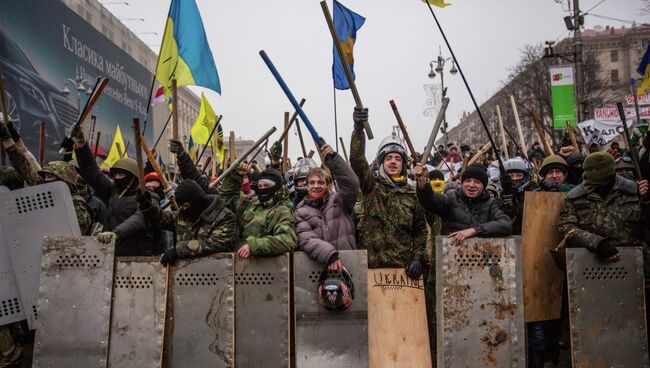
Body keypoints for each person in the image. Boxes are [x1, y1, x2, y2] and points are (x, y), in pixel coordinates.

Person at [558, 152, 650, 350]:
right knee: (600, 327)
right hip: (594, 270)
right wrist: (597, 243)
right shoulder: (575, 198)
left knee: (639, 326)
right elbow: (567, 229)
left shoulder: (634, 192)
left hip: (638, 269)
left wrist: (647, 201)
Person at [349, 107, 428, 280]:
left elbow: (420, 231)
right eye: (388, 158)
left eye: (398, 159)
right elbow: (357, 160)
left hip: (402, 273)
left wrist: (417, 257)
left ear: (403, 165)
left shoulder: (412, 193)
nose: (393, 162)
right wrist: (358, 130)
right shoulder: (372, 186)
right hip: (371, 271)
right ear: (381, 162)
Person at [71, 125, 159, 255]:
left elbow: (140, 219)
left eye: (121, 175)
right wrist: (81, 145)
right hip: (109, 255)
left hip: (138, 259)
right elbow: (92, 171)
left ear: (133, 178)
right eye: (115, 175)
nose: (117, 178)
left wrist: (116, 233)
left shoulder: (149, 197)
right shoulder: (112, 191)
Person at [0, 123, 93, 235]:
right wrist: (6, 137)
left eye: (50, 176)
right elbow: (23, 165)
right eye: (45, 176)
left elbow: (72, 238)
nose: (46, 180)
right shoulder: (48, 192)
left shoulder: (77, 206)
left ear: (63, 180)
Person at [294, 144, 359, 271]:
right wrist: (330, 255)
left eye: (321, 182)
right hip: (318, 270)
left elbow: (352, 184)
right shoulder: (300, 212)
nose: (316, 186)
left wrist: (334, 160)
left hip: (349, 265)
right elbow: (306, 238)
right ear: (306, 186)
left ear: (328, 185)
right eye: (312, 183)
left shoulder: (340, 200)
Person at [220, 163, 297, 258]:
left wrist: (254, 245)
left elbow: (287, 240)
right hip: (239, 263)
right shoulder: (252, 203)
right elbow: (228, 198)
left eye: (267, 185)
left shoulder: (282, 210)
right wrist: (235, 176)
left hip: (264, 268)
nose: (263, 189)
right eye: (260, 186)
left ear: (277, 187)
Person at [155, 180, 238, 265]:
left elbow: (215, 244)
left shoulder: (225, 217)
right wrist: (147, 206)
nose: (182, 209)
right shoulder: (184, 214)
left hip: (216, 270)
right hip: (184, 271)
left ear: (198, 200)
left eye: (186, 206)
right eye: (181, 206)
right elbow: (159, 219)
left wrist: (179, 250)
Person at [501, 157, 537, 235]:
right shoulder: (500, 195)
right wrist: (507, 195)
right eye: (511, 176)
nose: (514, 179)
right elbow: (505, 219)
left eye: (519, 175)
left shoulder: (534, 193)